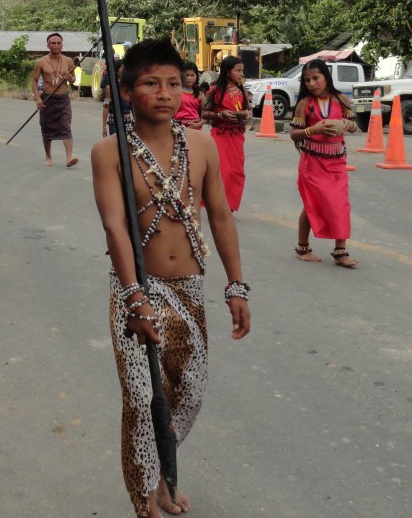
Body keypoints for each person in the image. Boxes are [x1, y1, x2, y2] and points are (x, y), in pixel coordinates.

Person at [91, 38, 250, 518]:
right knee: (143, 399)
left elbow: (221, 216)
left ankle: (162, 473)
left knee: (189, 393)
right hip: (137, 289)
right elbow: (115, 226)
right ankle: (144, 496)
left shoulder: (200, 145)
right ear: (126, 90)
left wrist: (236, 286)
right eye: (150, 83)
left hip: (190, 288)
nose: (164, 93)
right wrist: (136, 299)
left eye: (174, 84)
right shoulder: (110, 152)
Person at [289, 59, 360, 267]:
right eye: (307, 80)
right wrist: (314, 130)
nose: (311, 83)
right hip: (312, 162)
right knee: (313, 204)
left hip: (337, 162)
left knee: (340, 204)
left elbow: (355, 126)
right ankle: (303, 247)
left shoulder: (340, 99)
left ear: (326, 78)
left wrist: (347, 124)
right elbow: (294, 134)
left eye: (316, 78)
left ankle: (340, 251)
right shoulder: (305, 104)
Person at [201, 56, 252, 212]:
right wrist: (219, 115)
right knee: (223, 170)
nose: (241, 74)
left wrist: (243, 114)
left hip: (237, 135)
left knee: (236, 171)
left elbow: (248, 111)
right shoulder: (215, 91)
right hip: (220, 134)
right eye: (238, 70)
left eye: (242, 70)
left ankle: (229, 205)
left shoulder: (242, 90)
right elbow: (204, 113)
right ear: (228, 72)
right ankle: (216, 203)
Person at [32, 32, 78, 167]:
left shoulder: (68, 61)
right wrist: (37, 99)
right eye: (53, 43)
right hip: (47, 99)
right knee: (46, 127)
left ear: (62, 45)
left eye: (58, 43)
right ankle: (48, 156)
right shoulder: (40, 62)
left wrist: (71, 79)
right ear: (48, 45)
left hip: (63, 99)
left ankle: (69, 157)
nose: (56, 45)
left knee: (66, 126)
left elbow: (74, 80)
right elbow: (34, 81)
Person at [101, 55, 133, 137]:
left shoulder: (130, 87)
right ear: (117, 71)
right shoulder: (110, 88)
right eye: (123, 68)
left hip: (128, 123)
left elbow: (133, 107)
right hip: (114, 124)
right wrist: (104, 127)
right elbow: (106, 107)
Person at [174, 61, 206, 129]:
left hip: (195, 128)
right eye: (187, 75)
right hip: (177, 127)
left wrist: (197, 125)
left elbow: (206, 115)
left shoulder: (200, 94)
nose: (189, 78)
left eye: (192, 75)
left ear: (196, 76)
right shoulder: (175, 91)